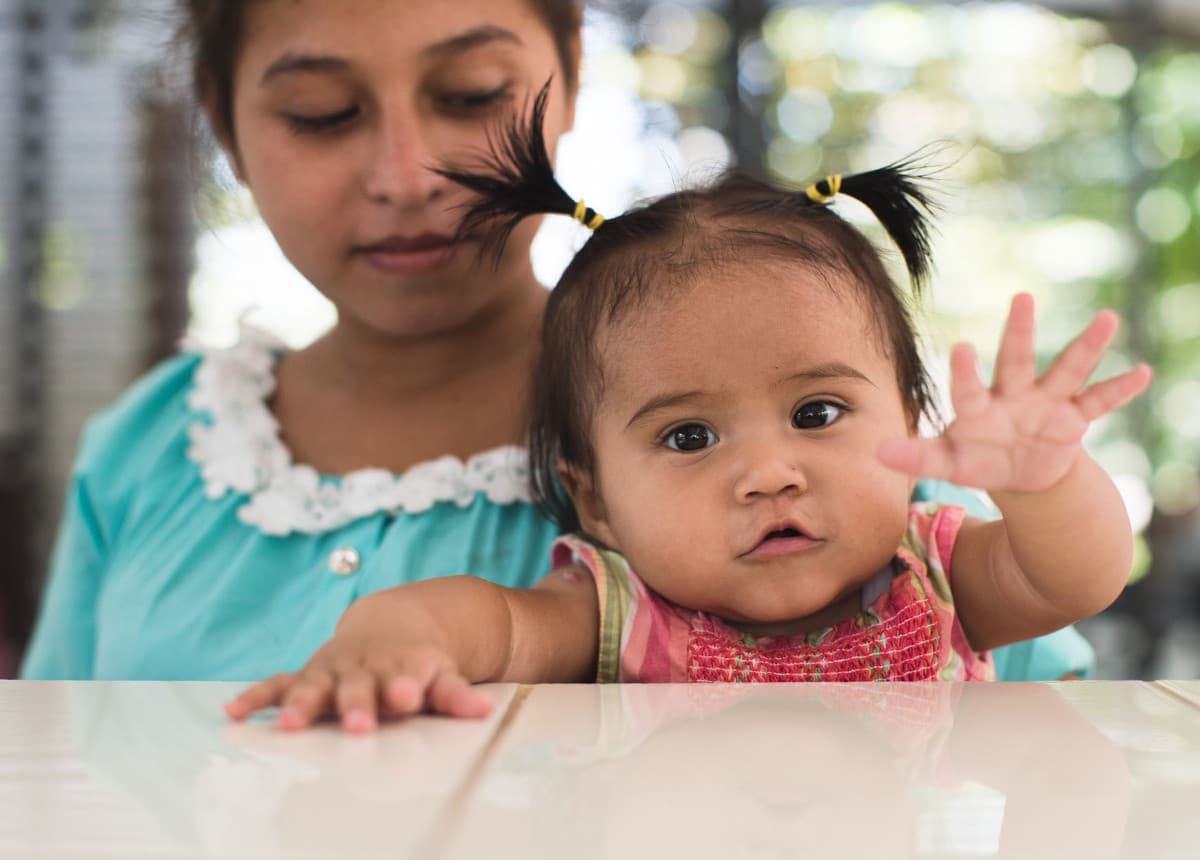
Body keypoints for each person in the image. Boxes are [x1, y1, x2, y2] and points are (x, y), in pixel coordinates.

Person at [21, 0, 1095, 683]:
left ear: (570, 68)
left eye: (473, 95)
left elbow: (1070, 690)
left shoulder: (856, 492)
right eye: (319, 112)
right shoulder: (149, 447)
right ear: (223, 119)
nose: (407, 175)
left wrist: (1047, 479)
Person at [223, 91, 1152, 731]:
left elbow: (1077, 576)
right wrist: (391, 643)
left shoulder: (940, 574)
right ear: (596, 501)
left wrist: (1048, 483)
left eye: (818, 412)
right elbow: (488, 624)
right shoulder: (626, 610)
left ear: (912, 423)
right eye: (690, 436)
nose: (770, 472)